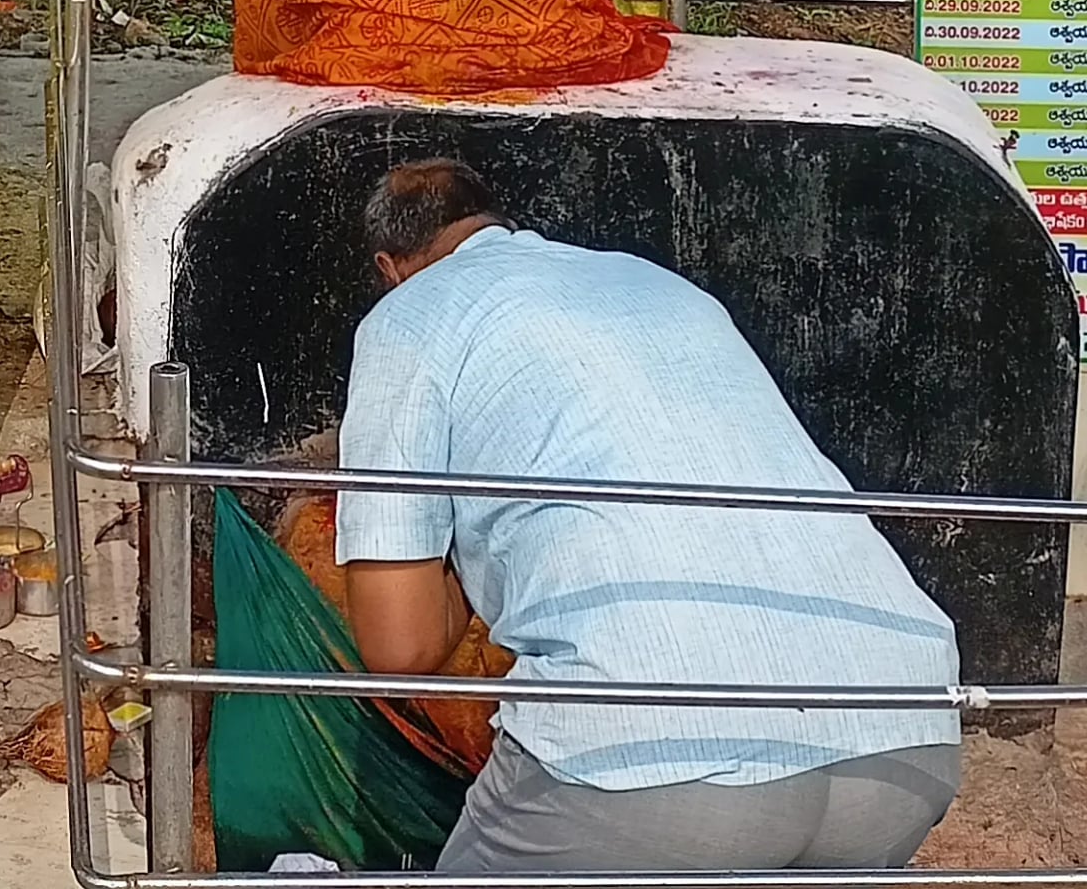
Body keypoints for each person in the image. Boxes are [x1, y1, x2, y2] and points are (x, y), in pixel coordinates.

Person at [334, 159, 965, 875]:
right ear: (499, 221)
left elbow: (400, 646)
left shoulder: (409, 317)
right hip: (904, 731)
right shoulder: (658, 284)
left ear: (390, 267)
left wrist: (452, 555)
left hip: (646, 751)